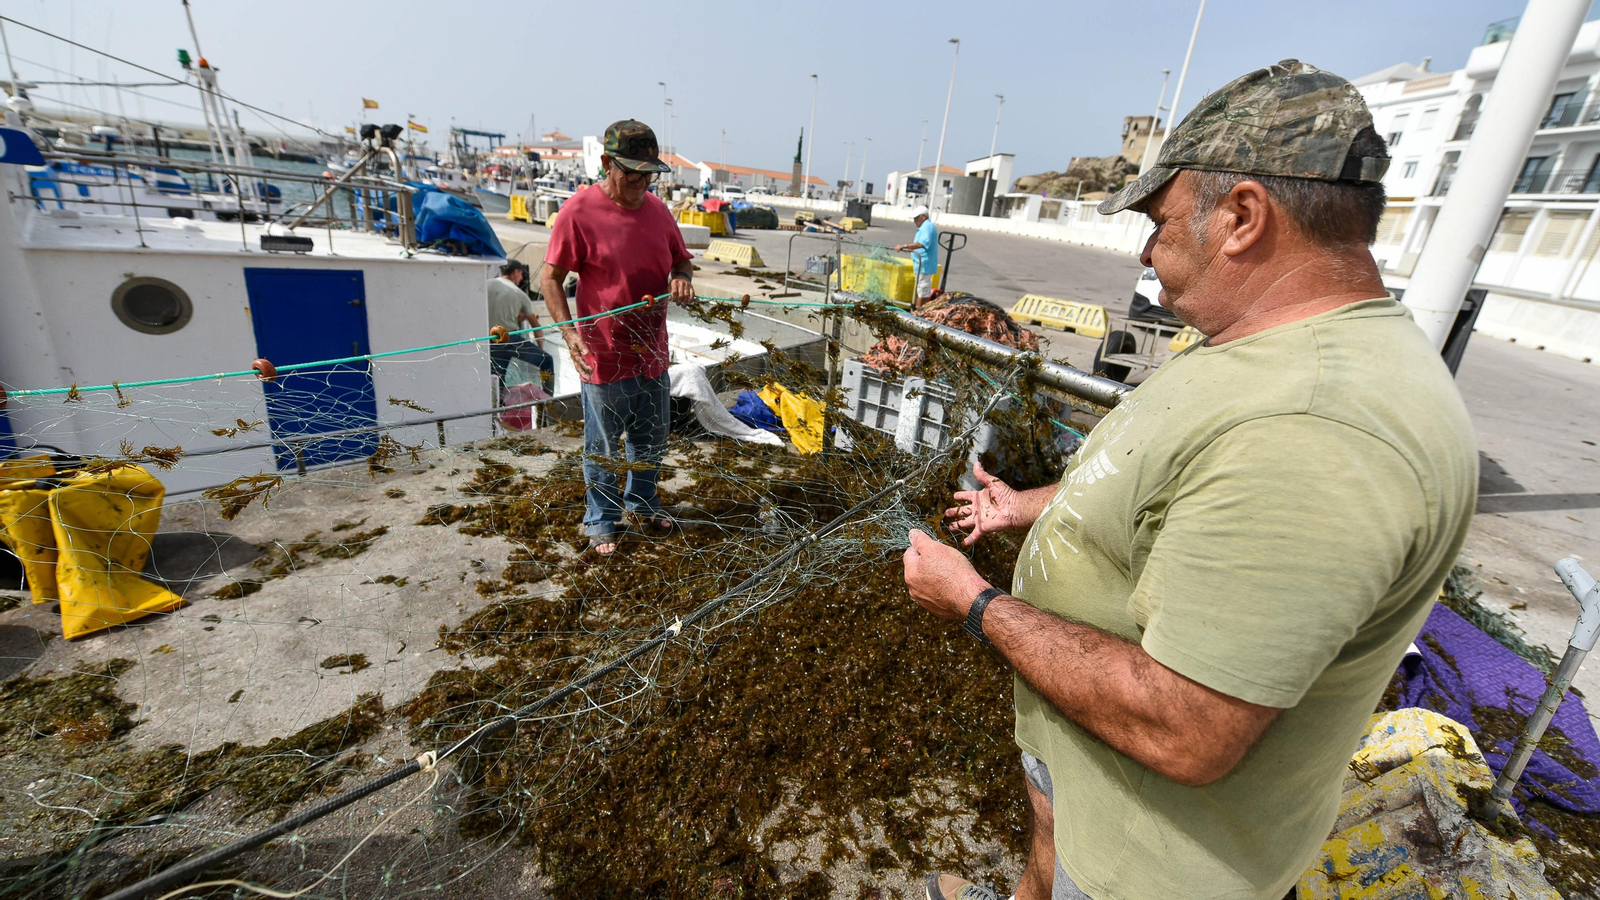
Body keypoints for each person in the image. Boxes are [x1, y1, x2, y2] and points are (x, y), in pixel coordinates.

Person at [902, 60, 1477, 900]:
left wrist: (975, 602)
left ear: (1243, 216)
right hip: (1084, 770)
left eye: (1161, 220)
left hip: (1147, 857)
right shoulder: (1253, 341)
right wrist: (1027, 507)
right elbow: (1152, 484)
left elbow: (1186, 729)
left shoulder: (1313, 430)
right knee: (1047, 844)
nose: (1145, 248)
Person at [541, 119, 695, 558]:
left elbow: (682, 263)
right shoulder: (578, 212)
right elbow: (550, 279)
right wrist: (571, 336)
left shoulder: (659, 211)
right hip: (604, 357)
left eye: (649, 174)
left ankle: (643, 501)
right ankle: (602, 520)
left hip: (652, 355)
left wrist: (681, 279)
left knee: (652, 438)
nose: (641, 183)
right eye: (632, 173)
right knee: (604, 446)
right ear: (607, 163)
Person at [486, 260, 553, 392]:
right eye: (521, 274)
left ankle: (497, 405)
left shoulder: (485, 285)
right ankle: (548, 397)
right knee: (547, 361)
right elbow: (537, 329)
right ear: (515, 272)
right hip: (509, 339)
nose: (521, 278)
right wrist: (541, 351)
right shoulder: (519, 294)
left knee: (497, 378)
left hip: (487, 339)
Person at [895, 205, 938, 307]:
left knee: (922, 290)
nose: (915, 221)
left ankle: (918, 314)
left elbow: (922, 243)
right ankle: (921, 312)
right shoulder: (925, 226)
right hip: (921, 265)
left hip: (924, 265)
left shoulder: (927, 227)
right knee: (922, 289)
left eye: (916, 218)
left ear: (923, 217)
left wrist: (904, 246)